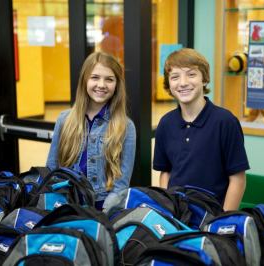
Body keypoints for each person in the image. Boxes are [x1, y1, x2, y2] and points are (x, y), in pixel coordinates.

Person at [153, 48, 249, 211]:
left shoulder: (225, 122)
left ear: (204, 79)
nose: (183, 83)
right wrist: (168, 208)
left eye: (191, 74)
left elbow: (238, 179)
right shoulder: (165, 123)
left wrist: (222, 221)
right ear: (169, 84)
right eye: (175, 77)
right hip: (178, 215)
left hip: (213, 216)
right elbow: (166, 173)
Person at [46, 52, 136, 210]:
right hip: (66, 204)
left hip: (103, 207)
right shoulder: (64, 120)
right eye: (95, 77)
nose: (101, 85)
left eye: (109, 79)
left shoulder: (126, 126)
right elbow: (51, 169)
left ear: (117, 85)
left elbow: (121, 185)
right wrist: (58, 207)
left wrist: (103, 215)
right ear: (84, 81)